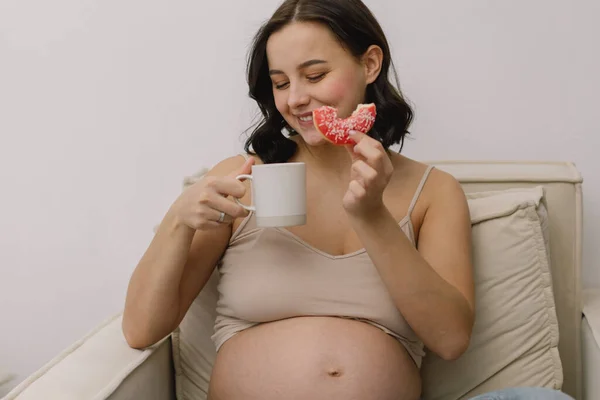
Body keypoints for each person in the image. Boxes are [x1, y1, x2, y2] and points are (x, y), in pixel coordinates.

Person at [121, 1, 574, 399]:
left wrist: (372, 215)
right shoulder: (242, 178)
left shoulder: (433, 192)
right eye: (280, 83)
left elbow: (451, 338)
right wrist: (178, 220)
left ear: (370, 64)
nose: (296, 99)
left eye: (315, 75)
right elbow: (141, 330)